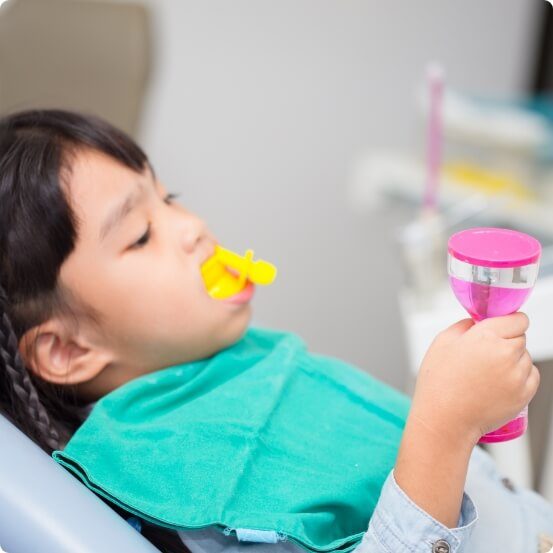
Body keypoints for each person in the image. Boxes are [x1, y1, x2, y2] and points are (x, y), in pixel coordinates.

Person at [0, 109, 551, 553]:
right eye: (142, 234)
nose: (193, 228)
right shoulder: (187, 484)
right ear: (68, 349)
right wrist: (444, 428)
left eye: (170, 199)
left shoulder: (236, 364)